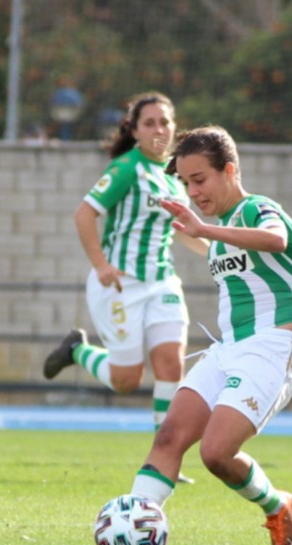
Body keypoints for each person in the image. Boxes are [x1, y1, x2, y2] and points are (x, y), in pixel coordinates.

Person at [127, 125, 292, 545]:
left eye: (200, 180)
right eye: (186, 183)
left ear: (229, 170)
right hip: (226, 350)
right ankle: (133, 525)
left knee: (215, 453)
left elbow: (277, 238)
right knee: (168, 436)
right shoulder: (221, 230)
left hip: (270, 349)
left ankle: (277, 507)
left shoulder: (255, 209)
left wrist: (203, 230)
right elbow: (216, 245)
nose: (194, 191)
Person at [43, 91, 208, 484]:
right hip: (121, 284)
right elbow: (84, 214)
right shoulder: (126, 169)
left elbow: (184, 232)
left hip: (163, 282)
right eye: (149, 123)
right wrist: (100, 265)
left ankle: (164, 453)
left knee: (171, 362)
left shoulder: (172, 175)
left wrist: (219, 254)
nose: (159, 130)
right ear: (133, 130)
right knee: (126, 380)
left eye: (165, 122)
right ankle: (77, 350)